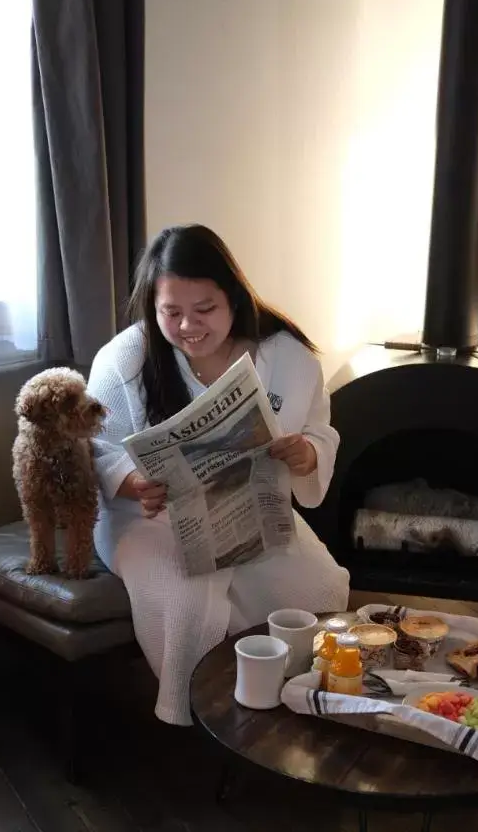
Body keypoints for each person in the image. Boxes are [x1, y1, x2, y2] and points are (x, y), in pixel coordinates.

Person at [87, 224, 350, 725]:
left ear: (233, 296)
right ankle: (204, 718)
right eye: (172, 312)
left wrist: (307, 454)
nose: (188, 325)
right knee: (190, 601)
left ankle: (286, 701)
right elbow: (95, 445)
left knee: (318, 590)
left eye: (204, 309)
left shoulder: (286, 357)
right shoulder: (127, 358)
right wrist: (131, 482)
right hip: (148, 518)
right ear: (153, 307)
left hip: (247, 514)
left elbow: (320, 429)